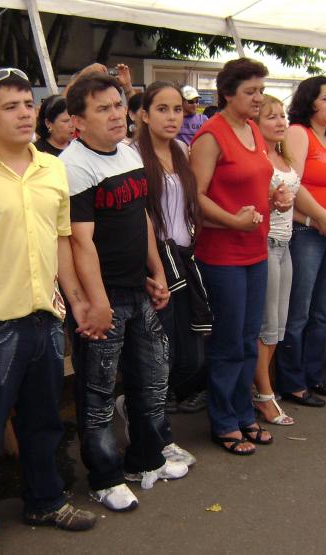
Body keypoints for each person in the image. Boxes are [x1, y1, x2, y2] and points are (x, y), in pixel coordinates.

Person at [0, 67, 98, 555]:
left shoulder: (52, 169)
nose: (26, 113)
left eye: (28, 104)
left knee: (44, 421)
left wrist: (76, 302)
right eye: (10, 106)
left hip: (45, 319)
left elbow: (61, 242)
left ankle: (45, 500)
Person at [61, 73, 187, 510]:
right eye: (102, 108)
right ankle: (105, 476)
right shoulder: (72, 165)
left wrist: (156, 271)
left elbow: (143, 220)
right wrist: (95, 302)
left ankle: (145, 459)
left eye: (118, 105)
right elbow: (79, 242)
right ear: (77, 120)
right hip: (106, 296)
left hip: (140, 289)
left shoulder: (128, 155)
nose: (116, 115)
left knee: (151, 381)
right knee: (96, 394)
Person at [189, 58, 274, 455]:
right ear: (227, 94)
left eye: (260, 90)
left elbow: (254, 182)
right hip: (222, 253)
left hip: (255, 249)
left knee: (247, 337)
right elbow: (196, 197)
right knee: (227, 340)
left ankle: (243, 413)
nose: (258, 98)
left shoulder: (253, 130)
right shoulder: (211, 134)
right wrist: (232, 222)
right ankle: (224, 419)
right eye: (250, 92)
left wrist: (273, 197)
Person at [131, 80, 209, 441]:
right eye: (162, 109)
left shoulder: (181, 149)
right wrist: (154, 267)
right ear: (144, 115)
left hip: (185, 256)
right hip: (154, 262)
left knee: (190, 354)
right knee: (161, 351)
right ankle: (152, 430)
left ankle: (142, 409)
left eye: (177, 109)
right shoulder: (131, 154)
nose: (172, 116)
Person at [277, 75, 326, 403]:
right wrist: (319, 216)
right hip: (308, 231)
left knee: (322, 310)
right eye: (325, 98)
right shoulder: (299, 133)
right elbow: (295, 181)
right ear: (309, 102)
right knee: (300, 311)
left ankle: (313, 374)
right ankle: (292, 381)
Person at [251, 94, 298, 425]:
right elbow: (247, 202)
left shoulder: (284, 157)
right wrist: (270, 199)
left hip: (285, 244)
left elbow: (299, 196)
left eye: (282, 116)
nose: (281, 122)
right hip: (265, 243)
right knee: (266, 326)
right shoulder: (258, 160)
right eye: (272, 117)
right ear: (255, 123)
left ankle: (261, 389)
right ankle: (263, 395)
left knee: (278, 326)